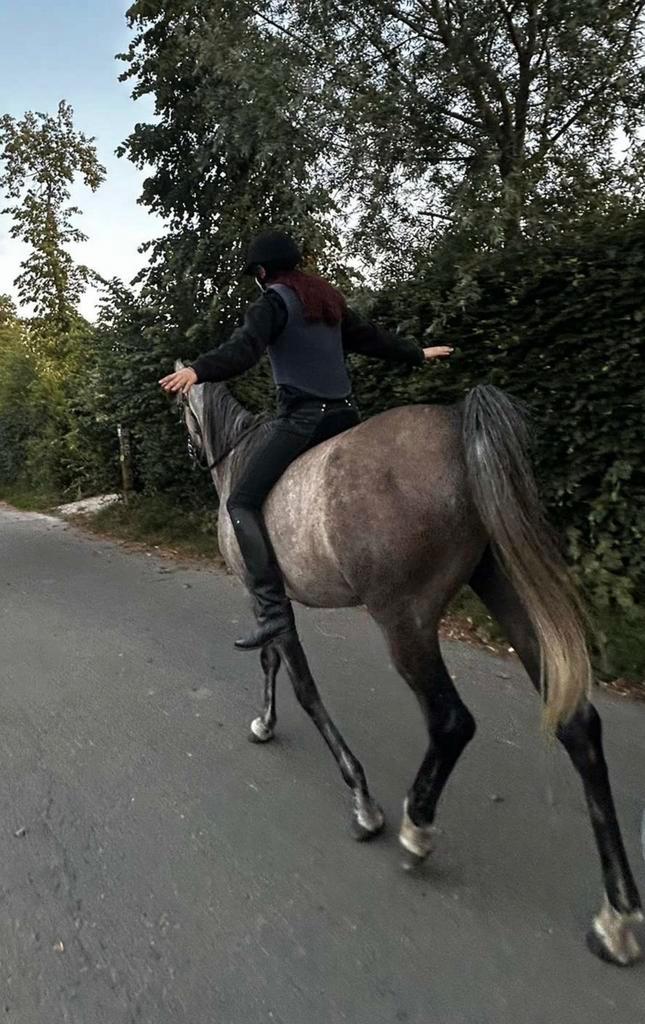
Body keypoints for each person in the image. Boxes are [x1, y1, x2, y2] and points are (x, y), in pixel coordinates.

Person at [160, 230, 452, 651]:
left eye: (256, 274)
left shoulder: (272, 303)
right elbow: (370, 338)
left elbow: (243, 349)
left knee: (240, 502)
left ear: (262, 272)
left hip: (303, 421)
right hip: (345, 417)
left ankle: (273, 612)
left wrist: (198, 371)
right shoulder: (327, 301)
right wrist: (416, 353)